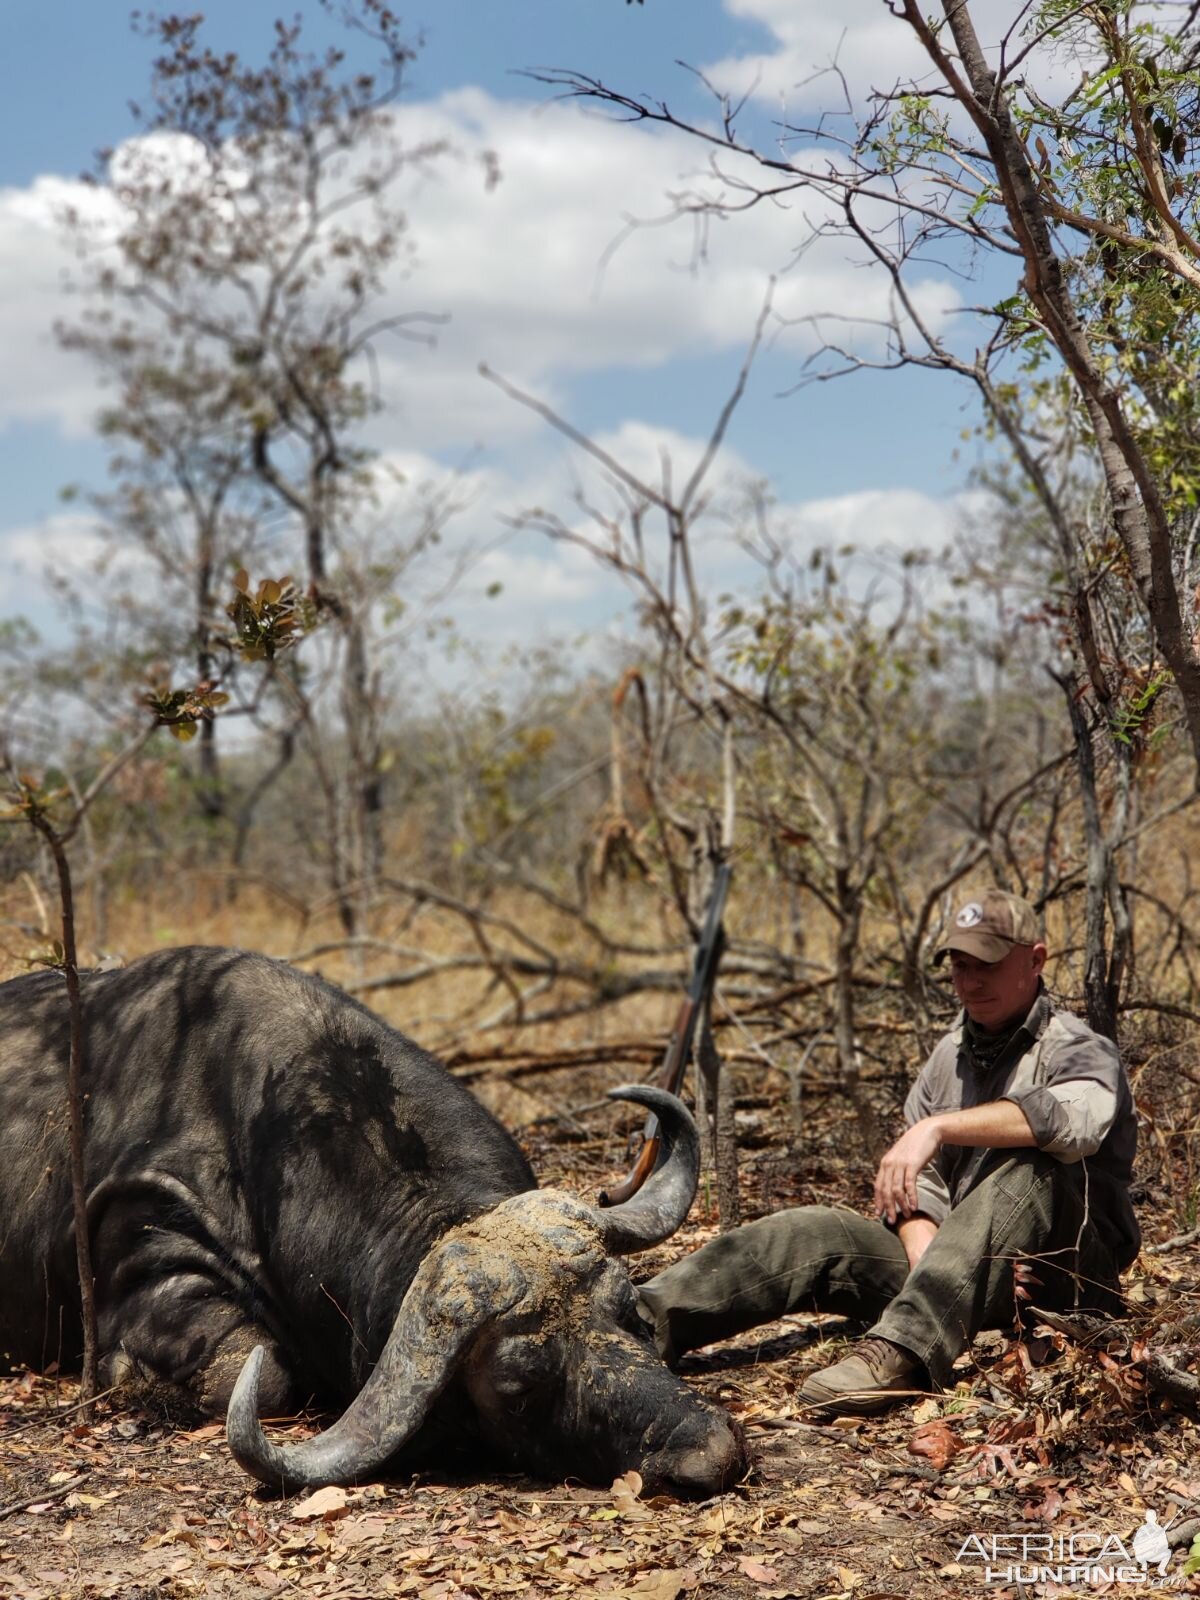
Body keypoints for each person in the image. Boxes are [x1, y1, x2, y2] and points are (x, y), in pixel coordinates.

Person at [636, 887, 1140, 1415]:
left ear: (1036, 959)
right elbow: (918, 1184)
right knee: (813, 1231)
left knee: (1033, 1161)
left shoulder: (1081, 1048)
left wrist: (938, 1127)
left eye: (986, 966)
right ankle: (644, 1321)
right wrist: (924, 1244)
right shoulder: (949, 1054)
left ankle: (899, 1353)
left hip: (1065, 1281)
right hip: (961, 1279)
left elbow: (1073, 1124)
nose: (969, 983)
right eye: (959, 966)